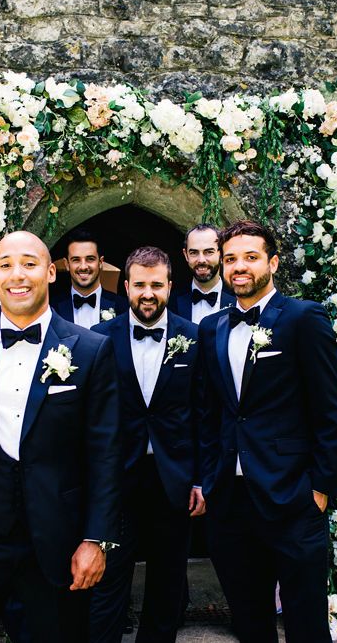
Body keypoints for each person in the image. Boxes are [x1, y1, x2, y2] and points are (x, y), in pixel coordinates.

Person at [0, 231, 122, 643]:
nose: (18, 274)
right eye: (7, 264)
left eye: (30, 263)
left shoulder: (91, 349)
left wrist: (96, 539)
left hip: (57, 543)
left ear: (51, 272)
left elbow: (104, 453)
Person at [197, 220, 337, 643]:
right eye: (230, 259)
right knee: (248, 619)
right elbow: (211, 413)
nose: (239, 267)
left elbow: (332, 411)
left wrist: (320, 489)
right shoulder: (212, 328)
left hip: (292, 497)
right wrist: (211, 477)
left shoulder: (304, 318)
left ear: (273, 262)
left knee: (305, 622)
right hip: (231, 500)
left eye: (250, 257)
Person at [90, 246, 204, 643]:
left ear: (171, 286)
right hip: (117, 478)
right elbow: (92, 418)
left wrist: (200, 480)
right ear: (126, 286)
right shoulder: (99, 340)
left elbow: (202, 413)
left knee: (168, 579)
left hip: (172, 478)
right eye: (140, 284)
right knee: (109, 577)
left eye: (157, 284)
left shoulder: (193, 338)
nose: (148, 293)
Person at [51, 228, 126, 327]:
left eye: (90, 259)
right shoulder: (52, 308)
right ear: (67, 264)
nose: (83, 267)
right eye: (76, 260)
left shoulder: (123, 306)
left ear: (100, 262)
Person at [168, 224, 234, 323]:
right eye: (194, 253)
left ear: (221, 254)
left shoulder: (238, 299)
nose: (201, 260)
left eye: (208, 252)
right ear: (186, 255)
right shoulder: (171, 301)